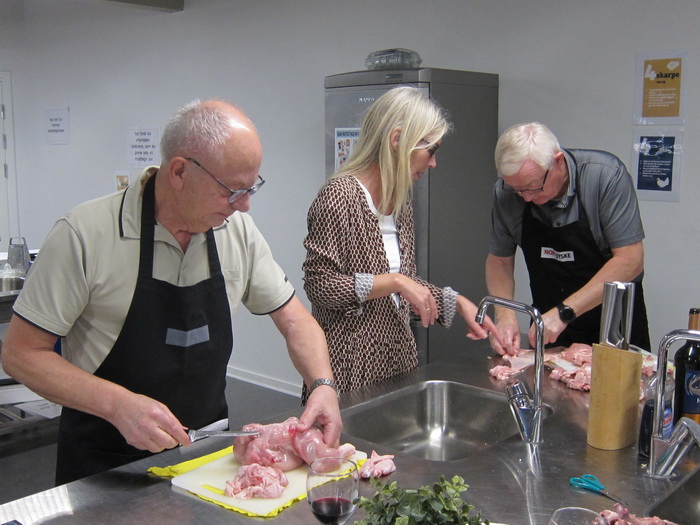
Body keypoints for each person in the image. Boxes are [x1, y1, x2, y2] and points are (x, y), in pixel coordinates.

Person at [1, 100, 341, 485]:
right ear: (179, 172)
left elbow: (295, 320)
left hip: (205, 461)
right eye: (232, 190)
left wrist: (322, 385)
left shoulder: (237, 232)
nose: (244, 206)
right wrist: (117, 404)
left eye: (251, 189)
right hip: (103, 464)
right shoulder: (84, 234)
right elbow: (21, 354)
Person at [302, 86, 499, 397]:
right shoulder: (339, 197)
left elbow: (401, 286)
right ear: (396, 140)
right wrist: (396, 282)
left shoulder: (401, 203)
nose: (433, 163)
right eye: (431, 150)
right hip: (348, 369)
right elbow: (320, 286)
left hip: (395, 362)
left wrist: (459, 304)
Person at [486, 122, 650, 355]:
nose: (527, 197)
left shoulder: (605, 175)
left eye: (533, 186)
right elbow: (500, 261)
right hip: (549, 322)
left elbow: (630, 260)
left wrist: (564, 312)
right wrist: (505, 315)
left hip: (613, 324)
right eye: (517, 190)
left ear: (558, 161)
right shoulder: (506, 192)